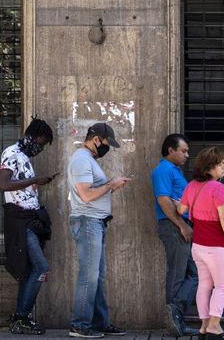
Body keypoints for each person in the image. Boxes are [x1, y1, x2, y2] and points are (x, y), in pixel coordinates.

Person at [67, 123, 131, 338]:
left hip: (95, 222)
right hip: (87, 222)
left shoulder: (88, 160)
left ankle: (99, 322)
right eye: (106, 143)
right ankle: (80, 325)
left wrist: (113, 183)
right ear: (96, 139)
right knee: (89, 276)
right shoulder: (81, 159)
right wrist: (112, 184)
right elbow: (86, 195)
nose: (107, 148)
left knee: (97, 276)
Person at [1, 117, 56, 335]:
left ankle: (19, 318)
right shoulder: (11, 153)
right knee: (41, 267)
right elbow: (4, 185)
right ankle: (22, 317)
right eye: (41, 143)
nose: (41, 148)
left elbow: (21, 187)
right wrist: (36, 181)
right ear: (31, 137)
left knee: (29, 270)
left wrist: (35, 184)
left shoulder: (24, 157)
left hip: (31, 219)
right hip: (19, 220)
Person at [177, 146, 224, 340]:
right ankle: (215, 326)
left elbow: (182, 208)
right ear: (210, 168)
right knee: (222, 285)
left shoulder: (192, 185)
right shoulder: (218, 188)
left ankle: (204, 326)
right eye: (220, 163)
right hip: (216, 245)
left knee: (204, 285)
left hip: (198, 246)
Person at [151, 133, 198, 336]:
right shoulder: (163, 170)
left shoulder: (175, 170)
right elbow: (163, 200)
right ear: (171, 150)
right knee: (178, 275)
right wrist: (182, 225)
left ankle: (176, 313)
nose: (187, 155)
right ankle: (175, 317)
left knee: (194, 274)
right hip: (173, 227)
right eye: (183, 151)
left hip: (181, 225)